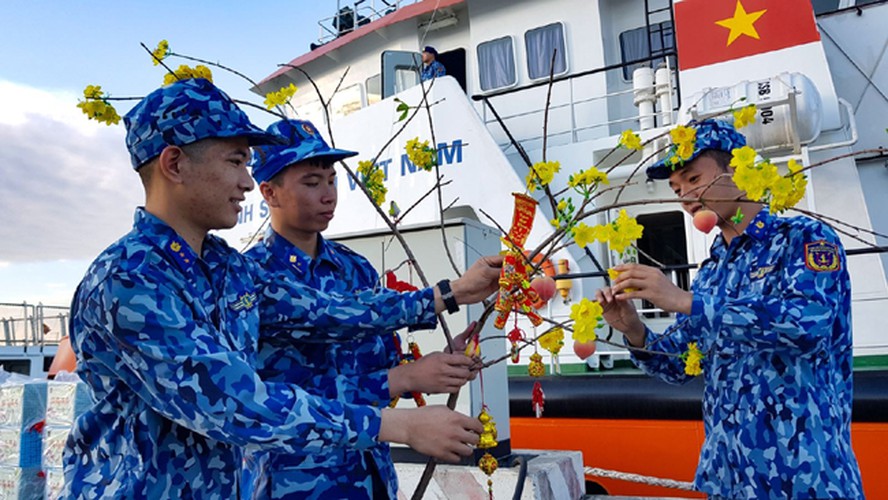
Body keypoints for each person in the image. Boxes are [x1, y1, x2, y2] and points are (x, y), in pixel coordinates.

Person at [63, 78, 502, 499]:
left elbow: (325, 311)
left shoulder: (226, 268)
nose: (247, 183)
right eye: (235, 161)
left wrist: (452, 294)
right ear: (175, 164)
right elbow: (232, 401)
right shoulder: (129, 278)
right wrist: (397, 425)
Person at [596, 119, 864, 499]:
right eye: (676, 188)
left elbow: (809, 326)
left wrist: (687, 301)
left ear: (736, 171)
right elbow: (680, 364)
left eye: (692, 179)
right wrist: (634, 330)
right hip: (730, 480)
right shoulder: (712, 270)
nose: (685, 196)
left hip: (804, 478)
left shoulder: (804, 239)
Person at [243, 118, 479, 499]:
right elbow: (277, 398)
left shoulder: (355, 269)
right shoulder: (249, 276)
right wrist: (405, 378)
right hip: (298, 481)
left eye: (332, 180)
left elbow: (376, 363)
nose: (328, 194)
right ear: (269, 193)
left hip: (371, 474)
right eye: (311, 182)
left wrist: (438, 365)